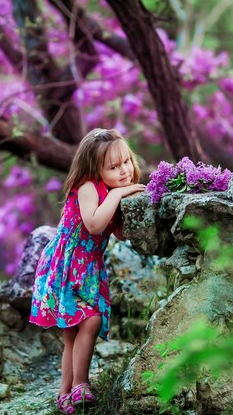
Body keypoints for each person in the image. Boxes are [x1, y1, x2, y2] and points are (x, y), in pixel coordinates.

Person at [29, 128, 145, 414]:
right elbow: (93, 224)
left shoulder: (113, 192)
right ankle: (81, 384)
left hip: (87, 269)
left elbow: (117, 233)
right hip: (65, 267)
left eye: (126, 162)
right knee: (89, 322)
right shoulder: (88, 188)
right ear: (95, 169)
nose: (124, 171)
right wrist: (118, 193)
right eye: (113, 167)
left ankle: (64, 394)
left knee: (73, 334)